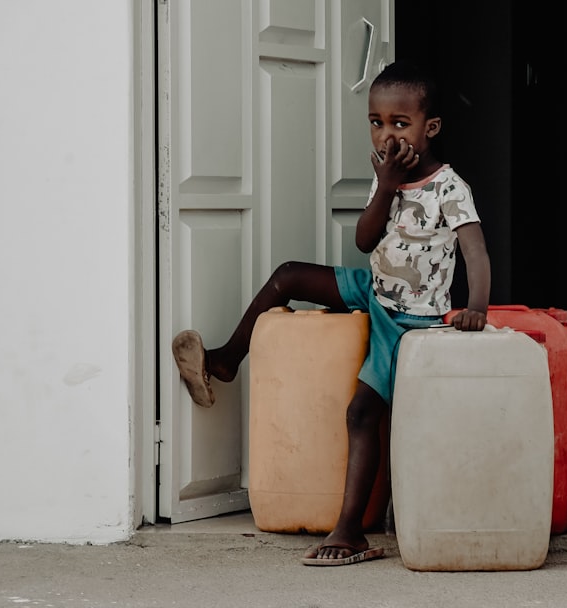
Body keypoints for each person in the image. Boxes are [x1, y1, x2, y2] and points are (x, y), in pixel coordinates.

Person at [171, 60, 491, 567]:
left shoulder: (449, 187)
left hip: (410, 319)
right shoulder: (386, 177)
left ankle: (350, 531)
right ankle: (227, 359)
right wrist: (386, 185)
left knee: (362, 413)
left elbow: (475, 251)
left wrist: (475, 309)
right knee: (288, 276)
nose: (386, 135)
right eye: (376, 122)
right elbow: (365, 240)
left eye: (400, 123)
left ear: (430, 128)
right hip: (375, 290)